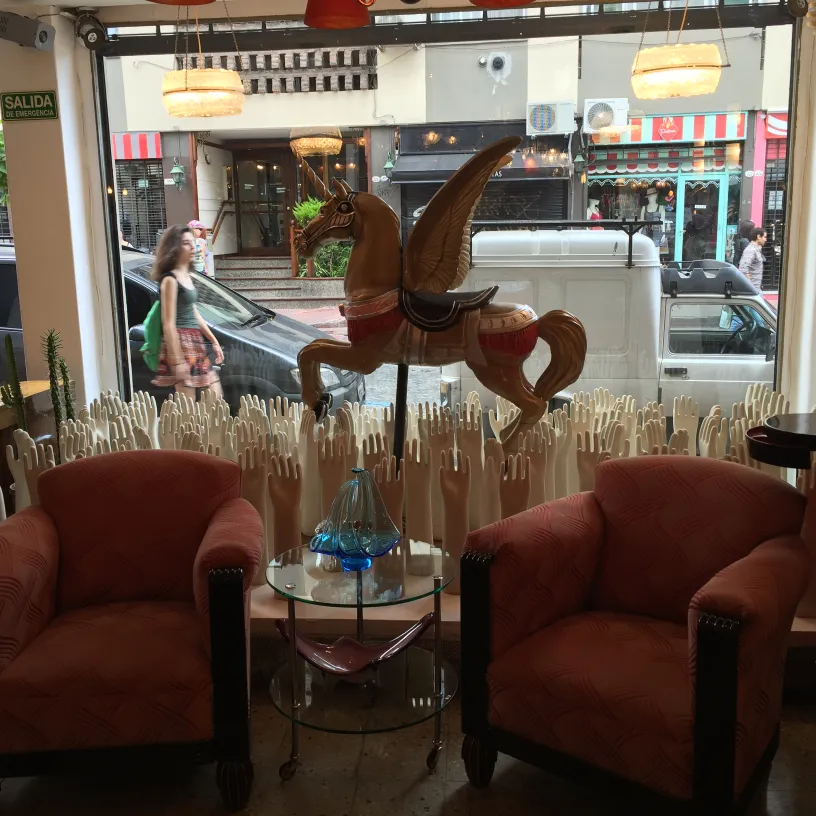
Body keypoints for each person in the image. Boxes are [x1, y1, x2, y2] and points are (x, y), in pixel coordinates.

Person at [151, 224, 223, 399]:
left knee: (215, 398)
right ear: (174, 248)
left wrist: (214, 341)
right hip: (180, 343)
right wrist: (177, 361)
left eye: (192, 242)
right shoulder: (170, 280)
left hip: (194, 342)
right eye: (186, 243)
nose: (192, 247)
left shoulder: (188, 276)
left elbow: (193, 312)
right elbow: (168, 323)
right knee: (188, 405)